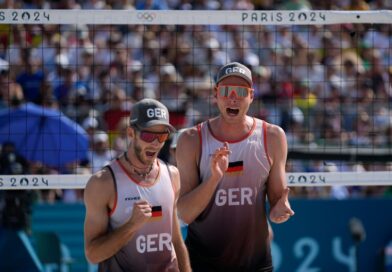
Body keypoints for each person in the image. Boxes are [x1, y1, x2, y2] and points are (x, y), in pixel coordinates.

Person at [176, 62, 295, 272]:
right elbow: (184, 215)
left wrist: (279, 211)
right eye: (226, 90)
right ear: (216, 94)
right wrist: (214, 179)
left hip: (255, 263)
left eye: (240, 91)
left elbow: (277, 200)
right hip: (202, 262)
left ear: (251, 95)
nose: (233, 97)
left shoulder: (273, 136)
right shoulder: (191, 140)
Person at [84, 98, 191, 272]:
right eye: (148, 135)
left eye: (162, 136)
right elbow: (93, 254)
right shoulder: (103, 183)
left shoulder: (172, 175)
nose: (156, 143)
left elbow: (176, 239)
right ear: (131, 133)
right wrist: (131, 225)